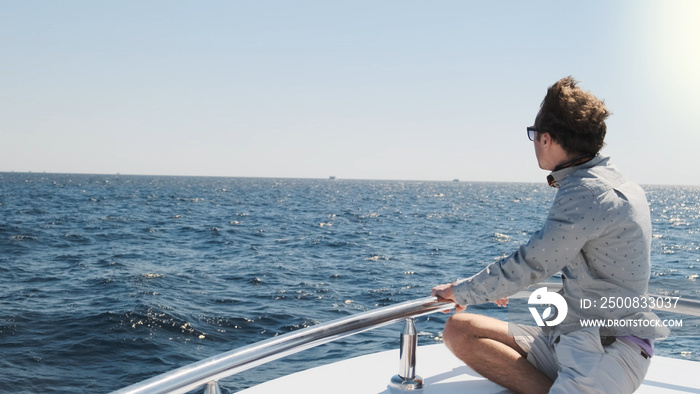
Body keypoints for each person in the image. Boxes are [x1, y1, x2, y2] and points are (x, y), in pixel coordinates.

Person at [431, 76, 669, 394]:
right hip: (569, 337)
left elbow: (533, 263)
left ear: (547, 139)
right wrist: (496, 286)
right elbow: (574, 261)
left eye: (533, 135)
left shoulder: (586, 190)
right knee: (459, 331)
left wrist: (463, 291)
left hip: (607, 350)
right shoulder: (611, 182)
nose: (533, 143)